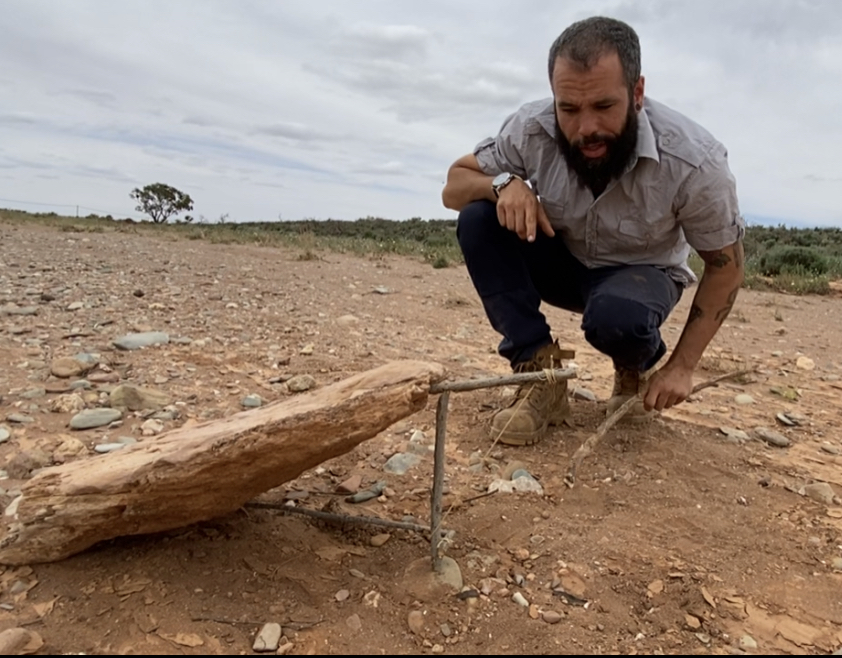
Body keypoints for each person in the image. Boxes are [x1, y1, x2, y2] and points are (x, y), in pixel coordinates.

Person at [441, 16, 744, 446]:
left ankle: (635, 365)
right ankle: (539, 372)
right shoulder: (532, 129)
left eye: (603, 106)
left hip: (642, 276)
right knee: (478, 217)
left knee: (618, 318)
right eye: (568, 108)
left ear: (637, 93)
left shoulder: (695, 161)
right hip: (564, 260)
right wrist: (502, 185)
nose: (585, 129)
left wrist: (682, 366)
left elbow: (726, 267)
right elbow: (454, 184)